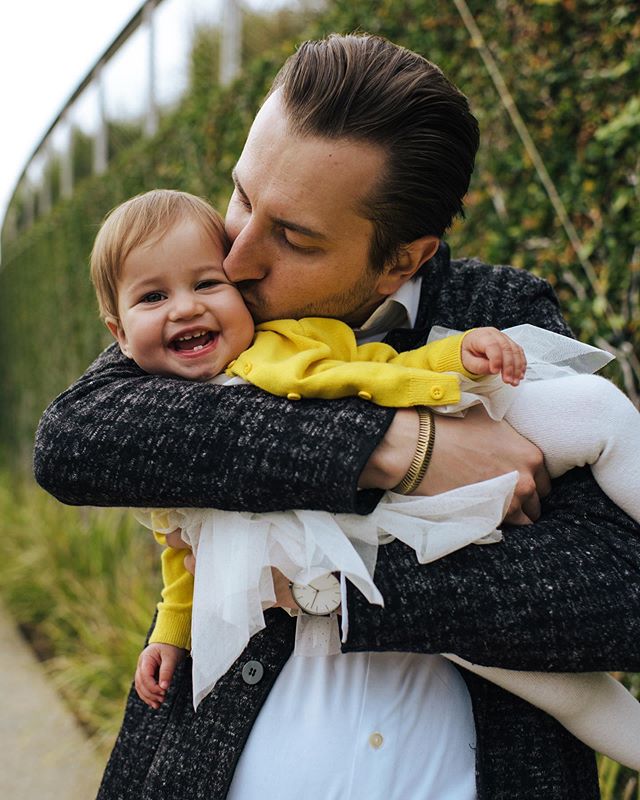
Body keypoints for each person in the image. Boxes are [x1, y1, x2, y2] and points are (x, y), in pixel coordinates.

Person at [33, 33, 640, 799]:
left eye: (292, 236)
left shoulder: (498, 316)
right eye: (243, 196)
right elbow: (77, 440)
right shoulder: (197, 307)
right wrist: (398, 445)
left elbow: (618, 594)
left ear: (403, 260)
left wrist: (345, 588)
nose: (241, 256)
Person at [89, 187, 640, 768]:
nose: (185, 308)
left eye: (207, 284)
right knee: (564, 692)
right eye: (153, 297)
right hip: (365, 566)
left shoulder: (289, 341)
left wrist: (457, 356)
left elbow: (381, 366)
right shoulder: (142, 416)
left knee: (593, 408)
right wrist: (169, 635)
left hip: (411, 521)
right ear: (119, 333)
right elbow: (178, 553)